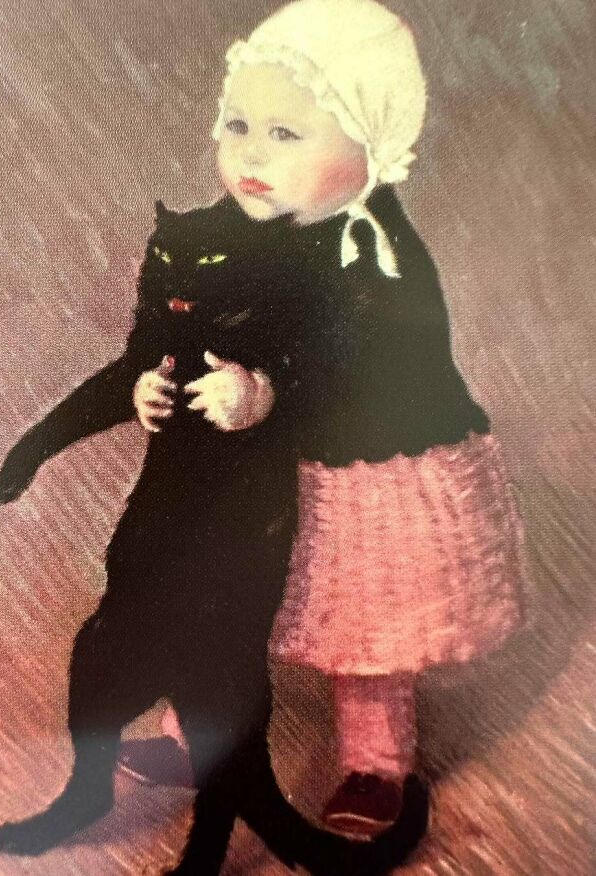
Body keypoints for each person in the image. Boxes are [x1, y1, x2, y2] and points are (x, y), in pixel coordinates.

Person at [125, 0, 531, 845]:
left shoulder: (373, 250)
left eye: (287, 135)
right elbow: (192, 318)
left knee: (364, 619)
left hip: (364, 463)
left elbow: (359, 363)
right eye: (238, 126)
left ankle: (376, 762)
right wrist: (159, 374)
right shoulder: (242, 231)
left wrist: (267, 392)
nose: (249, 156)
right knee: (225, 599)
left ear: (370, 148)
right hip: (263, 463)